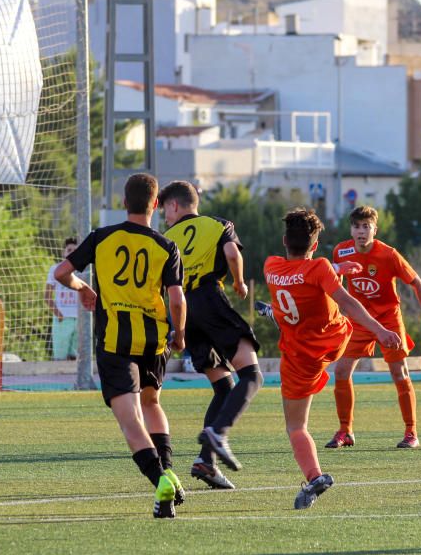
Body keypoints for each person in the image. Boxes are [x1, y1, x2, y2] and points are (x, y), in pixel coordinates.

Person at [54, 173, 187, 518]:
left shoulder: (102, 238)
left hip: (115, 340)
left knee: (130, 418)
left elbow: (61, 273)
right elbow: (176, 299)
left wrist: (83, 288)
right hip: (154, 339)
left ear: (124, 203)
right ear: (155, 205)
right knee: (152, 401)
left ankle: (160, 479)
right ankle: (169, 468)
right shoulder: (166, 246)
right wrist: (181, 334)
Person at [264, 208, 401, 509]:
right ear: (315, 245)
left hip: (299, 357)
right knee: (322, 310)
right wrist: (380, 330)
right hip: (334, 341)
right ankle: (273, 313)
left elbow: (304, 274)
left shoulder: (270, 266)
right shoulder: (321, 267)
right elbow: (346, 301)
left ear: (285, 240)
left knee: (296, 428)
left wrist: (336, 268)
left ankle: (314, 476)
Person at [159, 181, 263, 490]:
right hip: (209, 298)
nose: (164, 215)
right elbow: (232, 253)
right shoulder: (218, 224)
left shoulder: (165, 239)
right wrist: (240, 281)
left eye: (165, 208)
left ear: (176, 205)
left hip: (184, 313)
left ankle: (206, 461)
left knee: (223, 386)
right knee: (253, 375)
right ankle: (219, 432)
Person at [329, 205, 421, 450]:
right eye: (357, 226)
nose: (361, 231)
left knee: (399, 373)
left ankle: (411, 432)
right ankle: (345, 430)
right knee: (341, 372)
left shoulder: (388, 255)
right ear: (351, 229)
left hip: (389, 319)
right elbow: (335, 285)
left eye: (366, 227)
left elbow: (417, 282)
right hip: (359, 320)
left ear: (374, 230)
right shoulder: (341, 251)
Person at [45, 237, 79, 360]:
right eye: (69, 250)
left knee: (77, 359)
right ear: (64, 252)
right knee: (60, 358)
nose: (72, 252)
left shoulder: (84, 270)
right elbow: (47, 296)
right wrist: (59, 314)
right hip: (62, 318)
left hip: (80, 320)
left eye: (76, 250)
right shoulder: (55, 269)